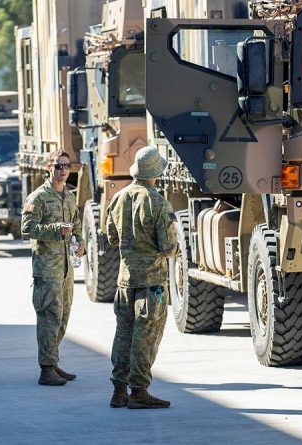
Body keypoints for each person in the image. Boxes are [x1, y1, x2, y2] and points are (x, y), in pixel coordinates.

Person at [105, 146, 179, 409]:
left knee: (123, 335)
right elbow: (168, 247)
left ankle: (118, 391)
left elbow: (112, 237)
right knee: (145, 338)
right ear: (156, 173)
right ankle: (139, 392)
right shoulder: (158, 202)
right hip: (152, 284)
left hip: (125, 281)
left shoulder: (119, 198)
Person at [21, 150, 85, 386]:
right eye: (58, 166)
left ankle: (53, 362)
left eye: (67, 166)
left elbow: (76, 224)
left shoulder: (69, 197)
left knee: (62, 317)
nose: (63, 170)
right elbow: (27, 228)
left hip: (66, 268)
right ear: (49, 168)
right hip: (47, 269)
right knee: (49, 317)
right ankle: (46, 369)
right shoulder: (38, 197)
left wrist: (80, 243)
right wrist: (55, 230)